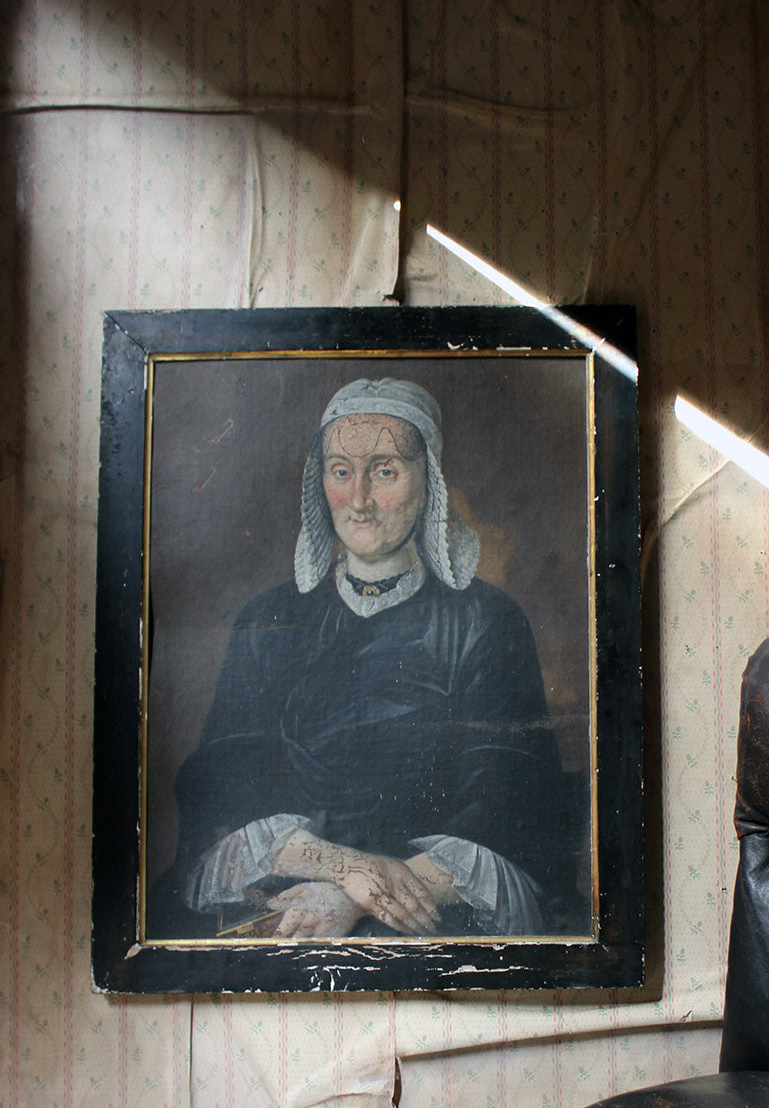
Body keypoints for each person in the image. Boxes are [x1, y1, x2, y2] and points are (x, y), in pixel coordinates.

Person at [149, 376, 581, 943]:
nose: (358, 501)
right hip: (287, 898)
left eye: (384, 471)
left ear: (428, 485)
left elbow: (508, 808)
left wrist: (353, 898)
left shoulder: (486, 620)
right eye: (340, 472)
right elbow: (224, 796)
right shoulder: (268, 619)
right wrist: (345, 871)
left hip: (436, 906)